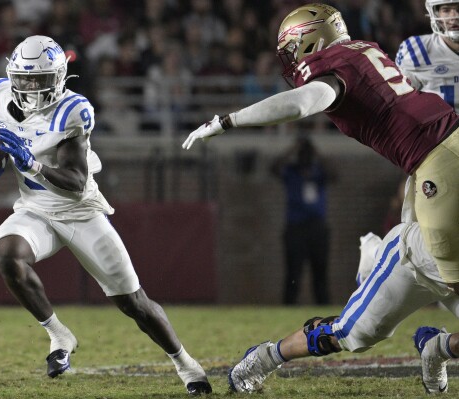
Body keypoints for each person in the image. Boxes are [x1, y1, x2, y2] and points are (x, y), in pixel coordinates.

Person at [181, 2, 459, 392]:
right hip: (437, 168)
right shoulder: (362, 49)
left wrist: (228, 120)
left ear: (307, 41)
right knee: (354, 333)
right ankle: (267, 355)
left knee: (363, 325)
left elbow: (302, 102)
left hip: (441, 174)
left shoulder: (334, 64)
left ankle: (402, 293)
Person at [0, 35, 211, 396]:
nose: (30, 87)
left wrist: (33, 165)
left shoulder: (71, 111)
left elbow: (75, 182)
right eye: (24, 79)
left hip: (80, 212)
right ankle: (58, 335)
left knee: (133, 303)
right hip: (35, 209)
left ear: (59, 78)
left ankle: (185, 363)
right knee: (6, 254)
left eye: (38, 80)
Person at [226, 220, 459, 394]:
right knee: (349, 334)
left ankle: (437, 347)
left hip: (451, 275)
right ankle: (266, 357)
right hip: (413, 260)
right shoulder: (444, 163)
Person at [270, 136, 336, 305]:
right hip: (296, 228)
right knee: (293, 272)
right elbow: (274, 168)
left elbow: (334, 175)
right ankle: (288, 306)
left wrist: (317, 152)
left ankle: (324, 307)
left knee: (320, 272)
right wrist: (293, 148)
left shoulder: (319, 171)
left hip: (317, 228)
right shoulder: (291, 171)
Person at [396, 0, 459, 113]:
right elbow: (401, 104)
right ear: (435, 13)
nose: (454, 16)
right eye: (446, 10)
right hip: (442, 130)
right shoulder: (417, 50)